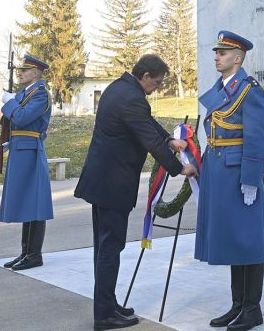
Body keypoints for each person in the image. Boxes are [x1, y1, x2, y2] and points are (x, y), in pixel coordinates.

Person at [74, 54, 194, 331]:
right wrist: (179, 169)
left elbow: (148, 123)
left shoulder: (120, 88)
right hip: (112, 185)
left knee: (104, 247)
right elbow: (148, 138)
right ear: (146, 76)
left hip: (102, 183)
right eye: (158, 82)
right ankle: (104, 316)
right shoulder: (131, 97)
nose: (158, 88)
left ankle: (107, 302)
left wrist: (169, 139)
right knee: (109, 248)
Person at [195, 31, 264, 331]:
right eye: (216, 52)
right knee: (233, 240)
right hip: (218, 172)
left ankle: (252, 308)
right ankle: (238, 304)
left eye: (223, 52)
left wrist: (251, 179)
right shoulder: (221, 88)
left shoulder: (249, 90)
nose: (216, 56)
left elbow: (257, 138)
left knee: (248, 241)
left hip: (239, 175)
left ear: (238, 58)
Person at [0, 54, 54, 271]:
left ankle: (34, 254)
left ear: (36, 73)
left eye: (24, 70)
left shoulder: (40, 94)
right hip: (20, 149)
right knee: (26, 202)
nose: (20, 73)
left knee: (35, 202)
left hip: (30, 151)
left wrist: (10, 102)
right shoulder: (26, 93)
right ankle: (25, 252)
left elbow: (21, 117)